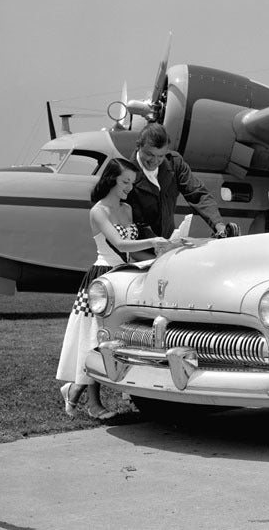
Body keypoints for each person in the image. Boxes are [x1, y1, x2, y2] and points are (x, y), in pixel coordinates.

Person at [56, 157, 176, 419]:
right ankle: (93, 404)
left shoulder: (127, 209)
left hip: (124, 277)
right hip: (101, 279)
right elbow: (120, 245)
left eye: (132, 183)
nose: (129, 188)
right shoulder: (98, 211)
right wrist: (154, 240)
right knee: (95, 341)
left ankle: (75, 391)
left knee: (116, 339)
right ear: (111, 180)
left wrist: (162, 256)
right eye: (125, 182)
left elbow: (130, 256)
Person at [125, 122, 228, 242]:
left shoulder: (175, 163)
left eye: (160, 156)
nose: (155, 161)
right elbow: (132, 222)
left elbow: (197, 193)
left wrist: (218, 225)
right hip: (142, 247)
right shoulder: (126, 175)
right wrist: (156, 244)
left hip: (168, 243)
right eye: (149, 154)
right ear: (138, 146)